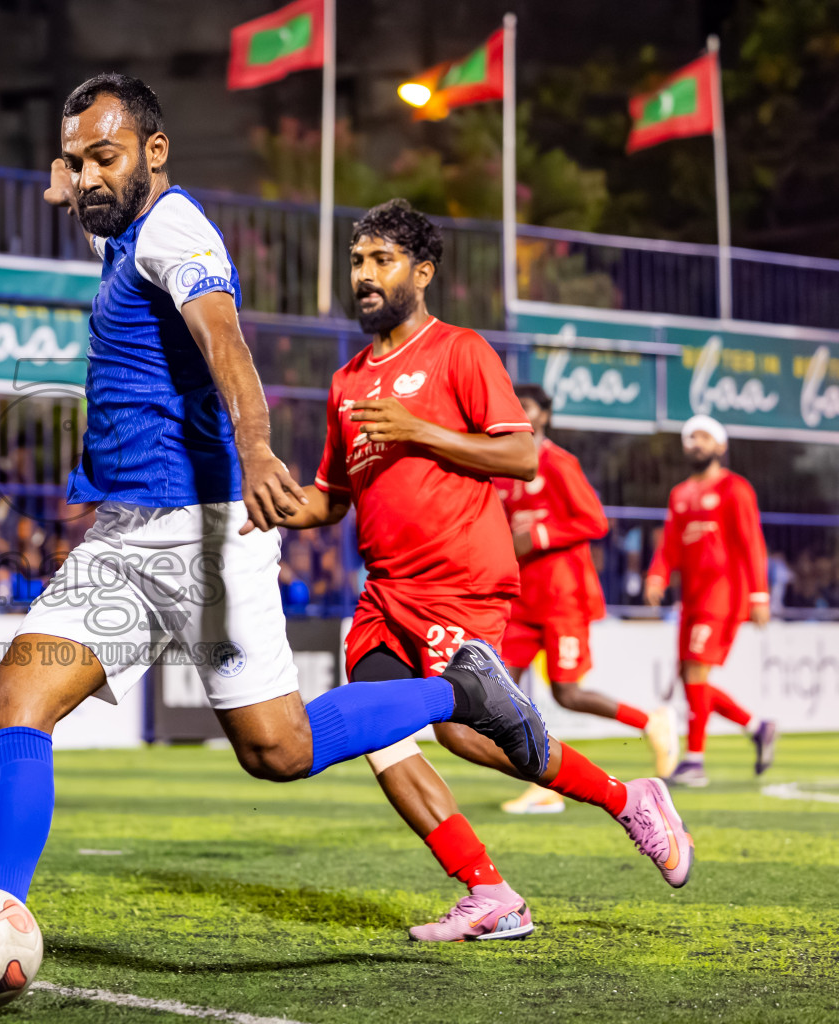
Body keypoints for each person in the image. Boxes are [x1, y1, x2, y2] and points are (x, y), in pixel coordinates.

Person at [0, 74, 557, 990]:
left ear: (155, 151)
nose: (86, 177)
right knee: (12, 703)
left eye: (104, 157)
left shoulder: (177, 231)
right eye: (75, 161)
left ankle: (457, 691)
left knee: (279, 750)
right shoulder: (115, 229)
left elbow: (226, 342)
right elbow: (82, 193)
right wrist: (69, 179)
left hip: (204, 535)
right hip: (123, 534)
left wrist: (260, 450)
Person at [281, 199, 693, 941]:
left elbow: (522, 455)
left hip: (458, 582)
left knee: (467, 728)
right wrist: (270, 504)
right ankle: (495, 887)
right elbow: (330, 498)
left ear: (423, 271)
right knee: (402, 736)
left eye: (382, 260)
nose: (365, 275)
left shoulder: (459, 351)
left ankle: (622, 802)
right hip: (385, 593)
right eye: (357, 261)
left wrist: (421, 430)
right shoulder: (345, 382)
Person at [495, 385, 679, 813]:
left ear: (544, 416)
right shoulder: (502, 471)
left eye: (529, 407)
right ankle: (541, 781)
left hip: (563, 597)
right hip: (521, 599)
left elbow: (595, 520)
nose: (520, 413)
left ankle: (651, 721)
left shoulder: (558, 462)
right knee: (500, 687)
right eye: (515, 407)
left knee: (568, 694)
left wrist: (537, 535)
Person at [646, 415, 777, 786]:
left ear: (721, 446)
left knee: (697, 673)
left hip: (723, 595)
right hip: (691, 598)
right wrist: (657, 574)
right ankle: (757, 727)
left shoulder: (736, 488)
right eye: (691, 438)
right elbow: (669, 544)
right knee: (692, 679)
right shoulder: (680, 494)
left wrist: (759, 594)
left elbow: (752, 542)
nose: (696, 444)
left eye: (704, 437)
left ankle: (695, 762)